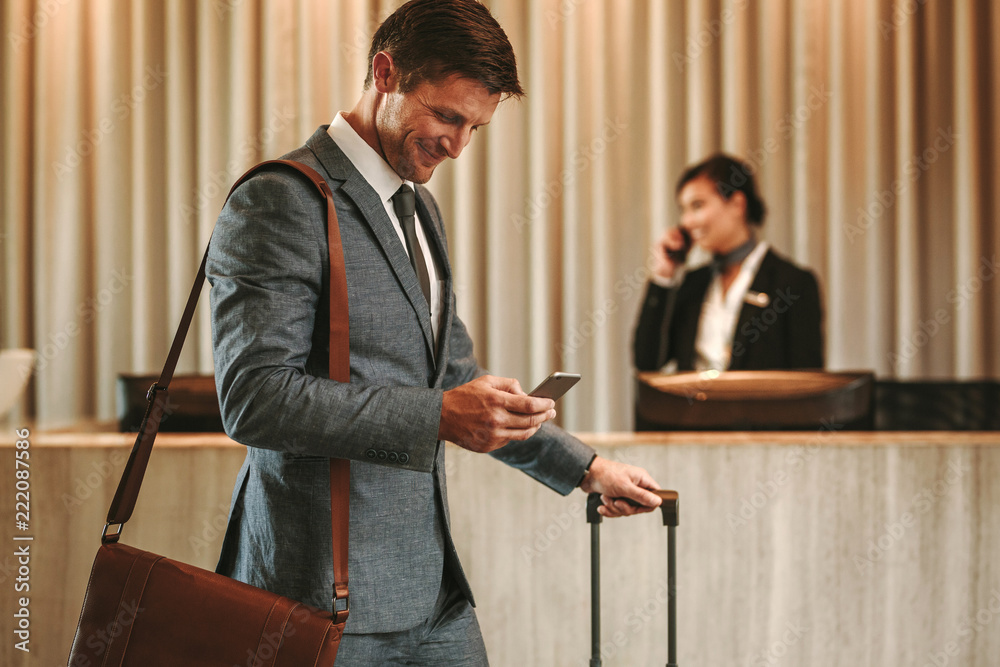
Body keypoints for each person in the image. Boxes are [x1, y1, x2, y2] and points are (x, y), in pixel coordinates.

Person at [207, 1, 662, 664]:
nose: (457, 145)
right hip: (321, 597)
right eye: (447, 116)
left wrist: (588, 468)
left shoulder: (421, 210)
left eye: (475, 126)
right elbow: (255, 398)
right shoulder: (283, 198)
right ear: (384, 72)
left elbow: (454, 379)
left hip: (433, 591)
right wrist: (441, 414)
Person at [633, 153, 824, 373]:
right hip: (692, 407)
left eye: (697, 206)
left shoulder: (792, 283)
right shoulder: (694, 283)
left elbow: (807, 382)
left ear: (737, 204)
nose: (686, 221)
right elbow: (647, 362)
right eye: (683, 210)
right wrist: (664, 277)